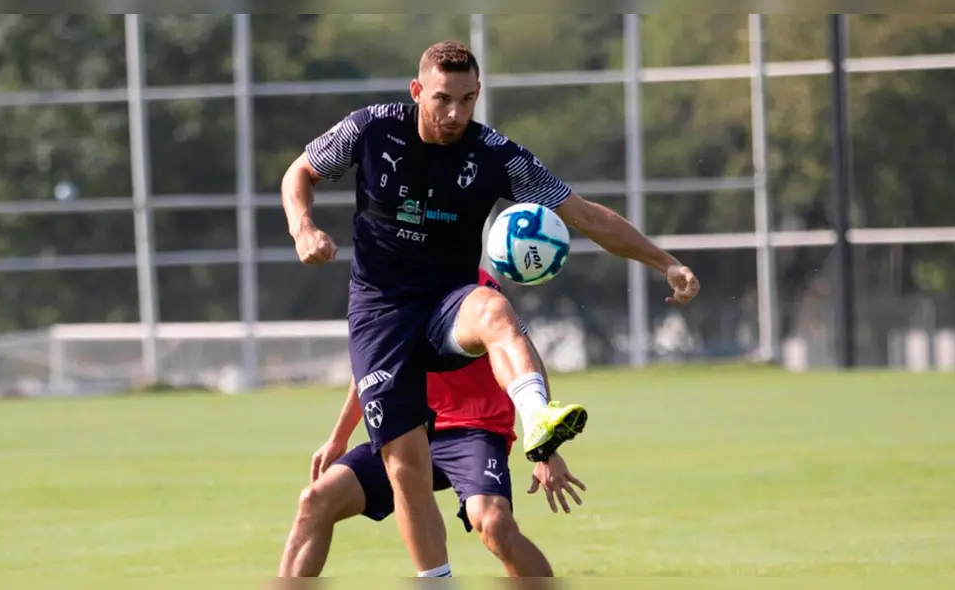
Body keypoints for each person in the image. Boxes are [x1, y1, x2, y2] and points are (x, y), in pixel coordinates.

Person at [281, 40, 700, 578]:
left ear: (477, 95)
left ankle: (537, 420)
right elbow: (299, 172)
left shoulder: (495, 156)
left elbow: (586, 216)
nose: (455, 113)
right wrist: (303, 227)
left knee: (494, 311)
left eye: (467, 99)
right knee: (405, 472)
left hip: (447, 305)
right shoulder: (372, 128)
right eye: (442, 99)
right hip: (381, 314)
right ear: (417, 92)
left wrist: (665, 262)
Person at [278, 269, 585, 578]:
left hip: (473, 428)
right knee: (316, 500)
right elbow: (370, 367)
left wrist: (547, 450)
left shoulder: (477, 285)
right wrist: (338, 437)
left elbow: (523, 352)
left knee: (494, 524)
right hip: (407, 428)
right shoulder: (389, 286)